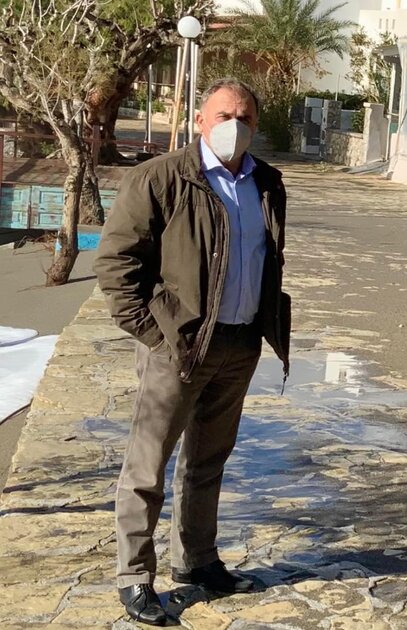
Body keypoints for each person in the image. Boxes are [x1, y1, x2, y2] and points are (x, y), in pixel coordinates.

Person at [95, 78, 290, 626]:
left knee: (208, 462)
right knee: (148, 467)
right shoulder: (159, 178)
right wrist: (156, 335)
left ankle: (198, 560)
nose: (235, 126)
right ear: (200, 121)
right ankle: (135, 576)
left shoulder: (267, 182)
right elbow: (116, 264)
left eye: (245, 117)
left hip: (238, 343)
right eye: (225, 115)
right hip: (177, 348)